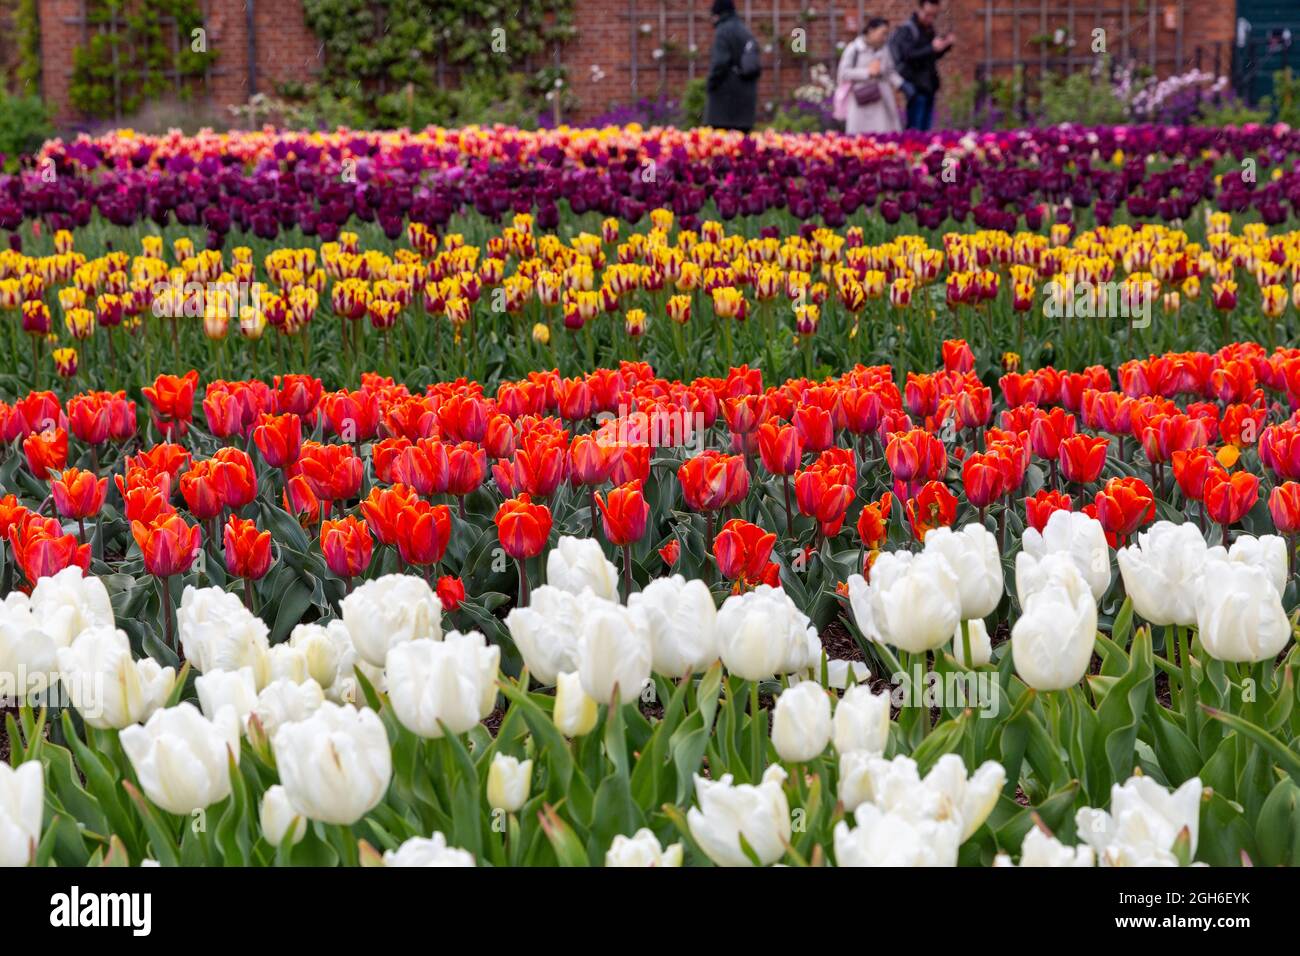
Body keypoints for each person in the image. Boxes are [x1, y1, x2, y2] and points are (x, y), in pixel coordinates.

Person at [889, 0, 954, 131]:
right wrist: (931, 48)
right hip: (915, 86)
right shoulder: (908, 30)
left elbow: (932, 57)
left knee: (926, 130)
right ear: (920, 8)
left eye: (934, 15)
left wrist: (945, 46)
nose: (930, 18)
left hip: (929, 85)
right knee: (915, 131)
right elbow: (907, 55)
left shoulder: (929, 29)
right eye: (928, 14)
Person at [835, 17, 905, 134]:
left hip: (881, 100)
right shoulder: (854, 49)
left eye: (886, 34)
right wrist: (867, 73)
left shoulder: (884, 50)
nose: (884, 38)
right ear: (871, 30)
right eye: (882, 33)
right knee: (859, 137)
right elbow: (844, 73)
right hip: (860, 99)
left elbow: (890, 71)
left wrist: (902, 84)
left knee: (883, 135)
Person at [704, 0, 761, 132]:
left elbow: (720, 63)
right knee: (743, 147)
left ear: (717, 14)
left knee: (722, 147)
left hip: (724, 107)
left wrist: (710, 84)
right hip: (745, 106)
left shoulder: (723, 31)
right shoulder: (745, 31)